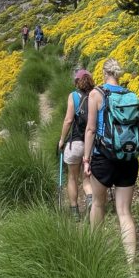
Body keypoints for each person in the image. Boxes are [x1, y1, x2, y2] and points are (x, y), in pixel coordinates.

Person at [83, 57, 138, 263]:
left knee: (98, 204)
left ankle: (94, 253)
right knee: (124, 212)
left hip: (103, 158)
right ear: (118, 74)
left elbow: (90, 129)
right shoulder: (130, 94)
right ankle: (131, 269)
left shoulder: (96, 94)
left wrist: (86, 159)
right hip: (128, 158)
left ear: (105, 73)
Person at [58, 68, 94, 219]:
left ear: (77, 82)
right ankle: (91, 199)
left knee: (72, 178)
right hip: (91, 145)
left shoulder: (73, 96)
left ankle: (75, 212)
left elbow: (68, 120)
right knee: (87, 177)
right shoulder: (96, 95)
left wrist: (61, 140)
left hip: (75, 143)